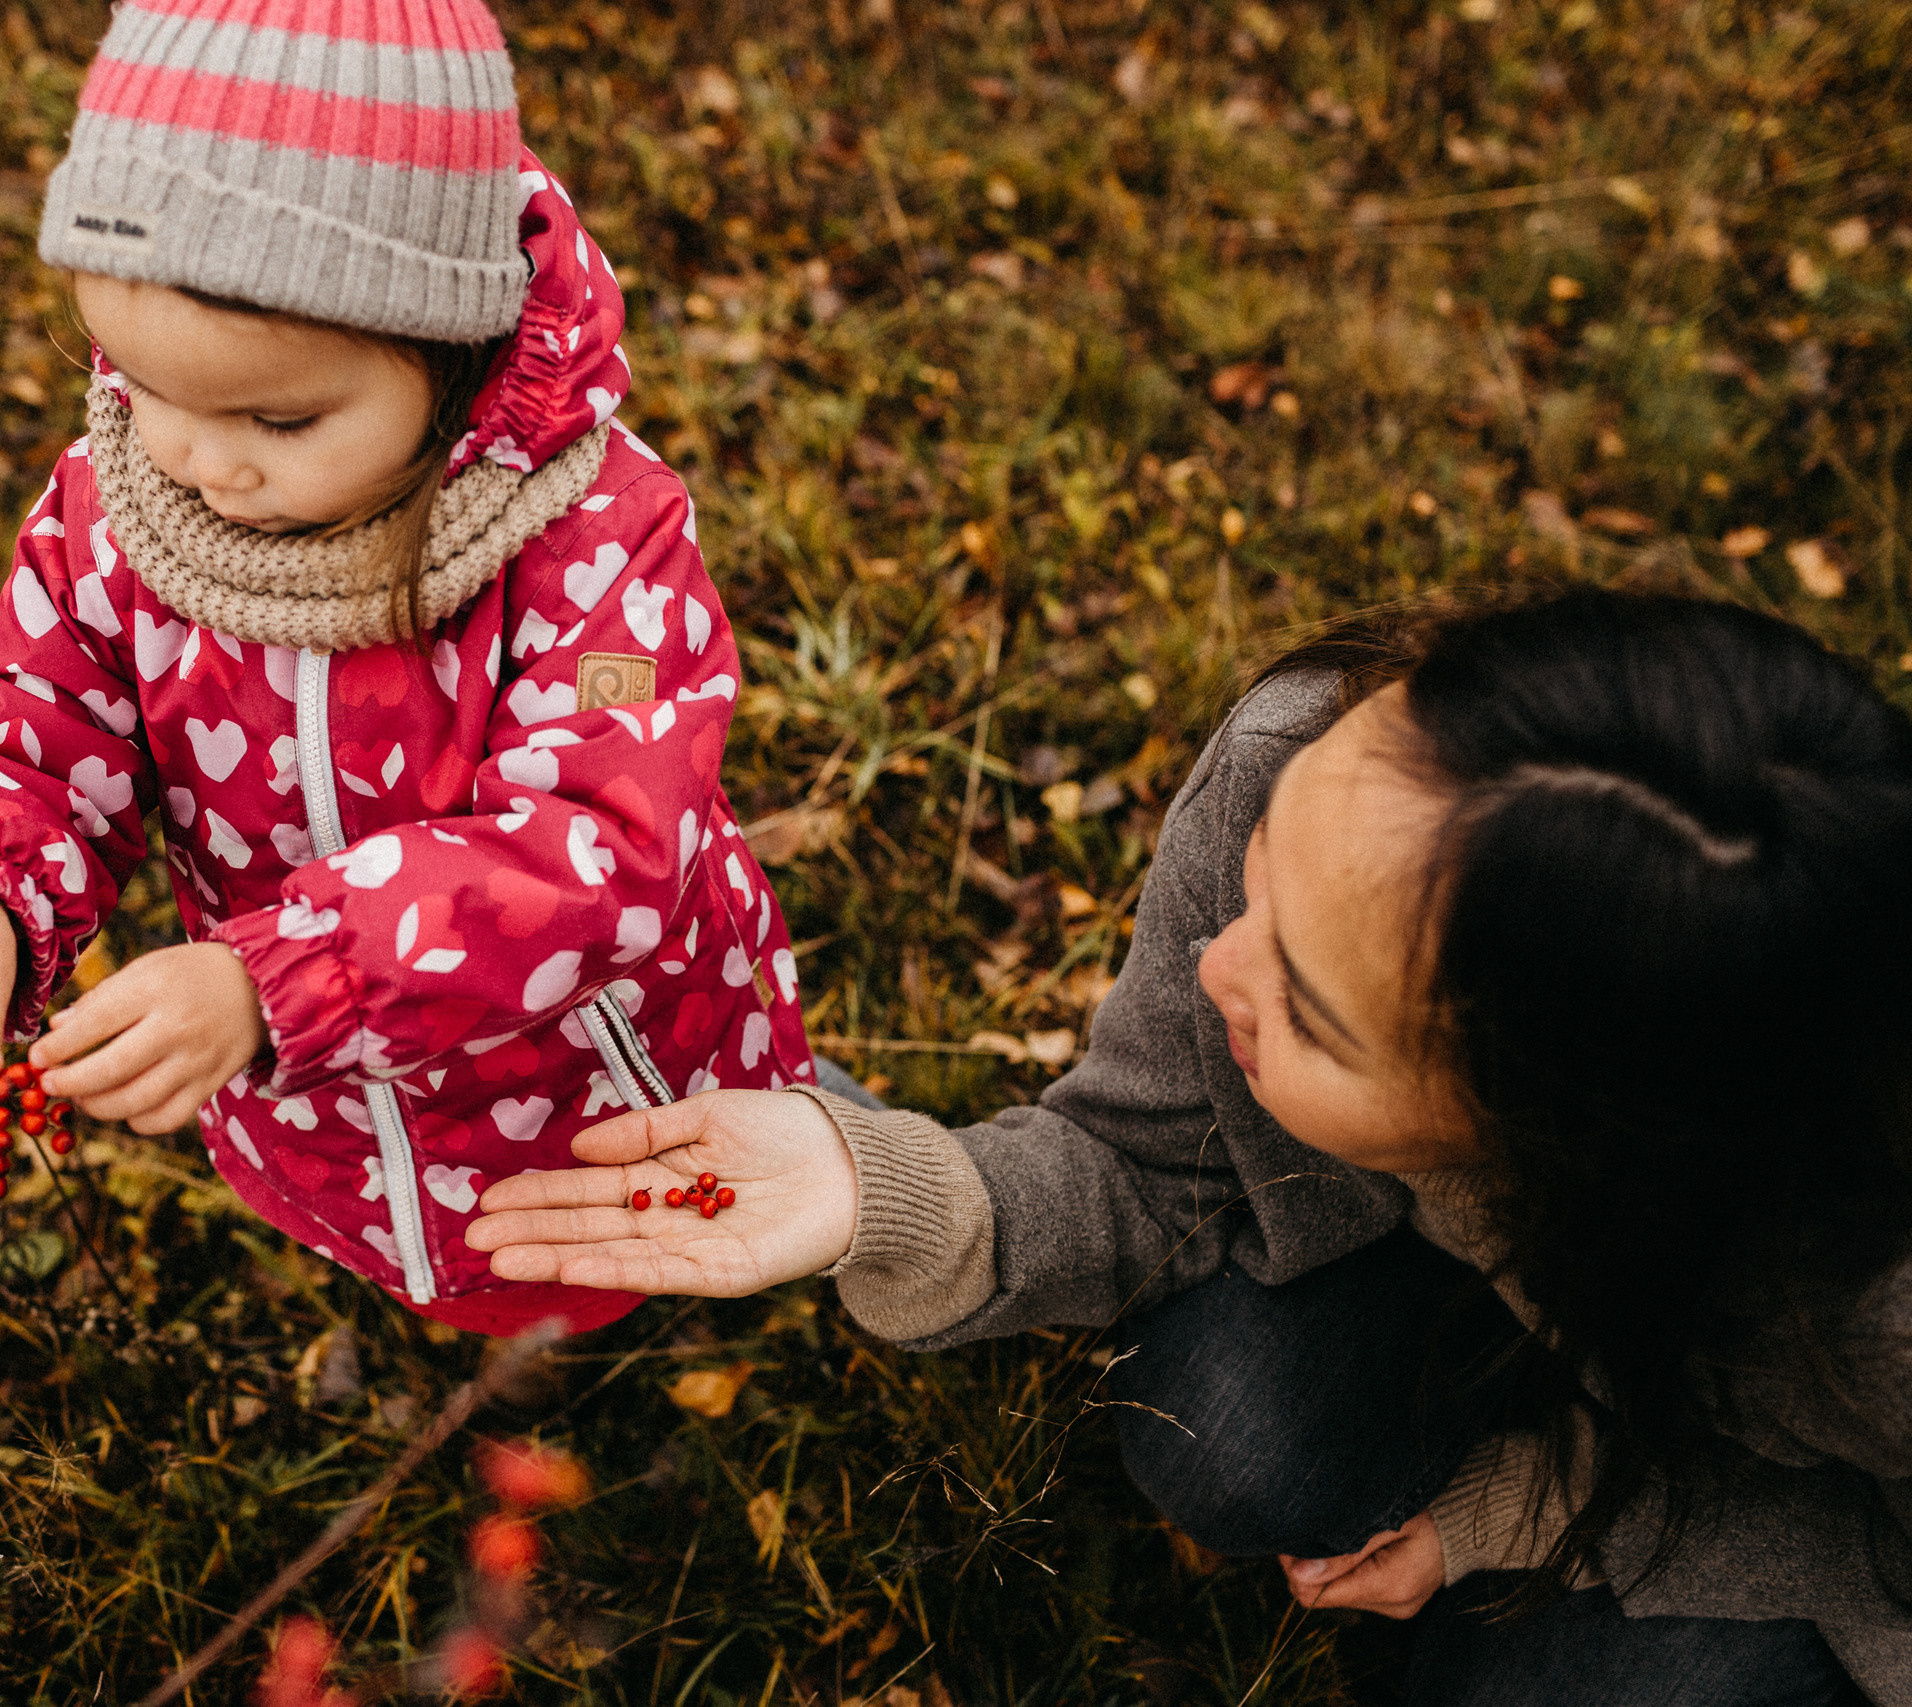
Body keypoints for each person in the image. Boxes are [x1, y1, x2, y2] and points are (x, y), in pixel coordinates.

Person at [467, 589, 1912, 1701]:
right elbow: (1137, 1164)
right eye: (1265, 869)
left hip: (1807, 1490)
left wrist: (1520, 1517)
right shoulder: (1322, 754)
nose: (1222, 960)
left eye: (1314, 1011)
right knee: (1233, 1434)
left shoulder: (1860, 1318)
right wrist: (874, 1189)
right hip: (1539, 1312)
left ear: (1559, 1144)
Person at [0, 0, 812, 1337]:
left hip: (589, 1088)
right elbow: (30, 714)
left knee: (607, 1288)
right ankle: (412, 1292)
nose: (199, 461)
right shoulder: (122, 505)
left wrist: (278, 978)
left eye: (278, 416)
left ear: (454, 348)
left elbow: (600, 842)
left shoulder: (594, 551)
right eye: (142, 382)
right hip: (319, 1105)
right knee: (395, 1268)